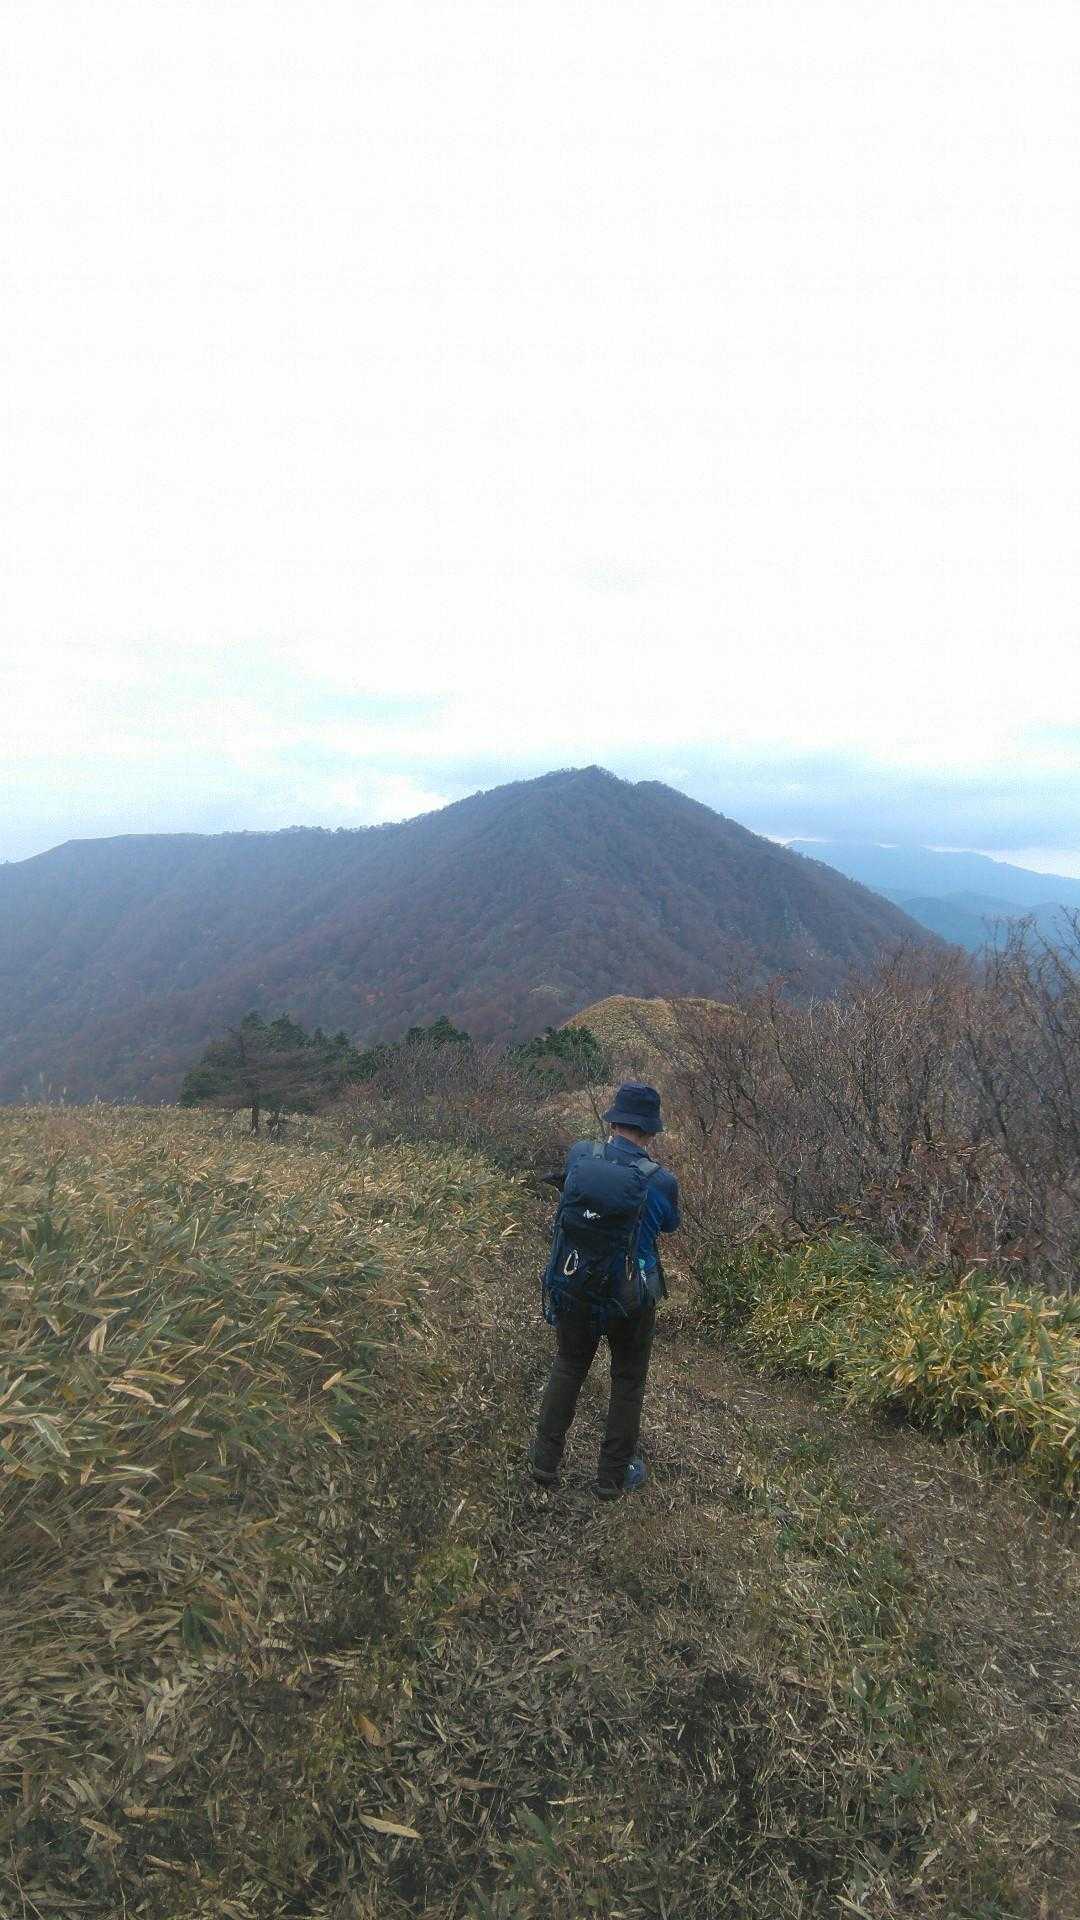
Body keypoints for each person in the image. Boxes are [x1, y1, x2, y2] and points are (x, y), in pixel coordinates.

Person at [528, 1082, 680, 1499]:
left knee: (568, 1366)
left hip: (576, 1282)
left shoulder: (581, 1154)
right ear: (650, 1131)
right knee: (627, 1381)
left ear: (613, 1122)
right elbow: (670, 1225)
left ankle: (544, 1461)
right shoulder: (661, 1181)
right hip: (630, 1297)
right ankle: (612, 1478)